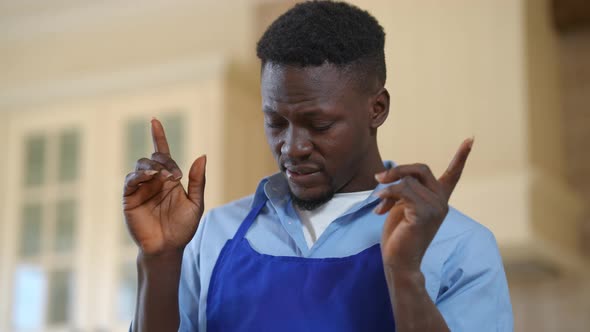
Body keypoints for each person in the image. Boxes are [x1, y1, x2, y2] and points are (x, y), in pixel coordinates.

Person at [123, 1, 513, 331]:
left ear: (377, 108)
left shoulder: (460, 245)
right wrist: (159, 259)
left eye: (319, 124)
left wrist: (405, 273)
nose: (291, 147)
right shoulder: (214, 233)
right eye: (275, 122)